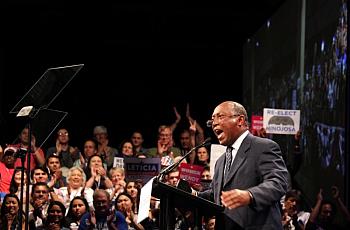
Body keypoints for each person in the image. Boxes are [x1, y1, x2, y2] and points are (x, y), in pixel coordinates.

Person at [198, 101, 289, 229]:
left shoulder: (263, 147)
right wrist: (193, 195)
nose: (214, 123)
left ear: (240, 120)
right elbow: (216, 196)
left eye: (220, 117)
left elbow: (279, 182)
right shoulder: (220, 162)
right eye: (213, 119)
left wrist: (250, 195)